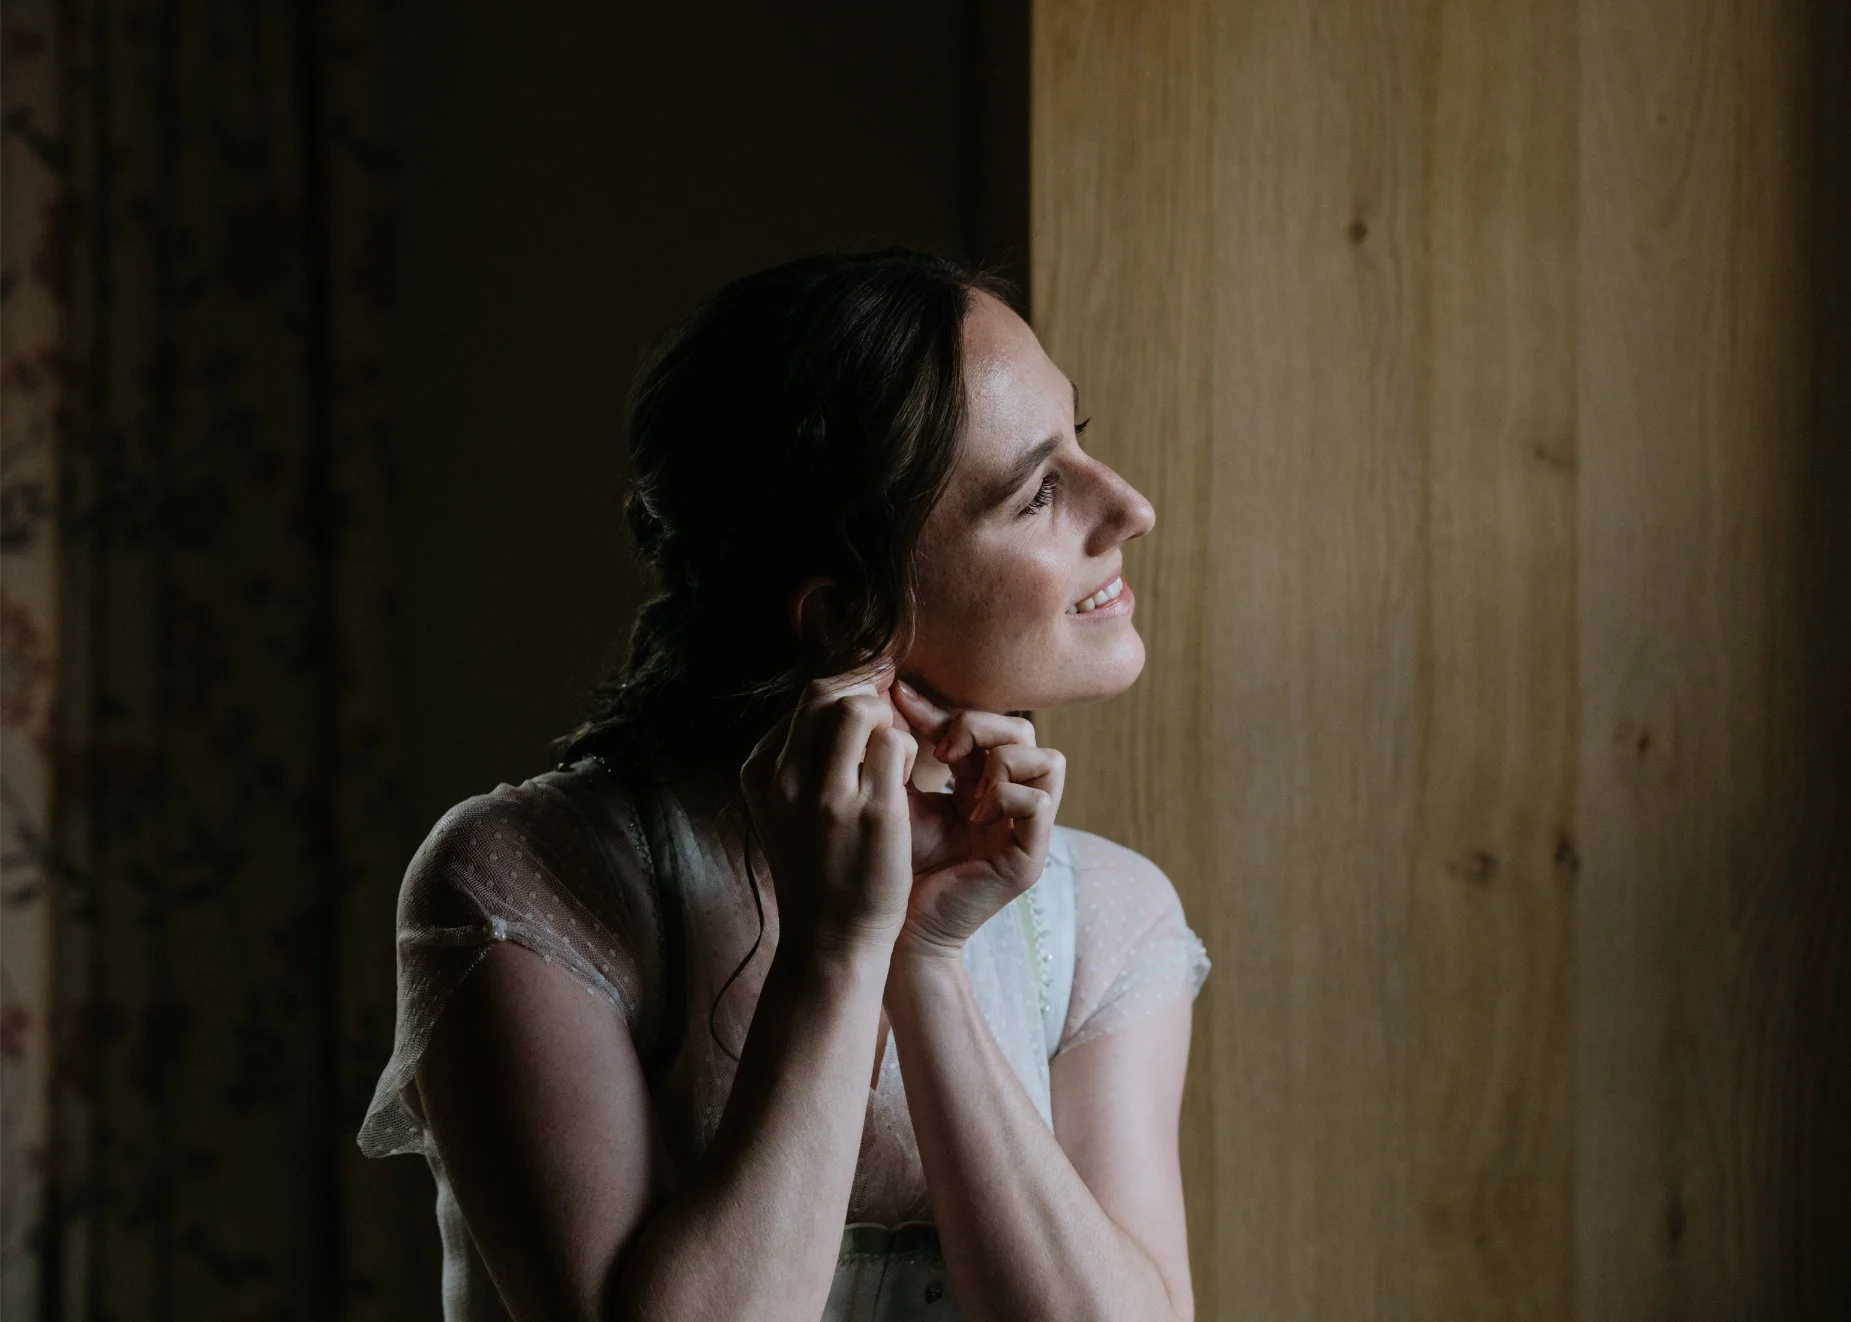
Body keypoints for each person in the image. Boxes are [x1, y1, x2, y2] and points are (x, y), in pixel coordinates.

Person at [357, 248, 1211, 1321]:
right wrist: (836, 946)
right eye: (1038, 491)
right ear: (851, 620)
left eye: (1078, 444)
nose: (1128, 505)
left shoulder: (1108, 919)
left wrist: (926, 957)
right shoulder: (535, 883)